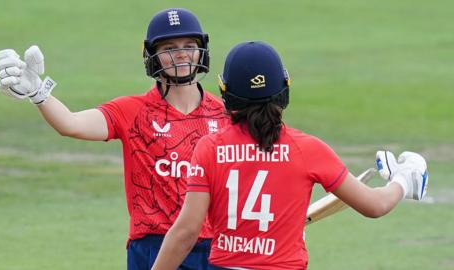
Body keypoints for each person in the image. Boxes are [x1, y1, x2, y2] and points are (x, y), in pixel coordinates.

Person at [150, 41, 429, 270]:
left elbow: (186, 232)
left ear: (228, 95)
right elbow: (375, 205)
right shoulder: (308, 149)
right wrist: (404, 180)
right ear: (284, 90)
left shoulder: (209, 148)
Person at [0, 8, 230, 270]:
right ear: (151, 56)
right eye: (169, 48)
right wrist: (38, 93)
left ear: (202, 51)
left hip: (214, 247)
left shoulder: (225, 114)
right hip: (152, 246)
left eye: (189, 45)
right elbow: (71, 124)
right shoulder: (132, 111)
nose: (182, 53)